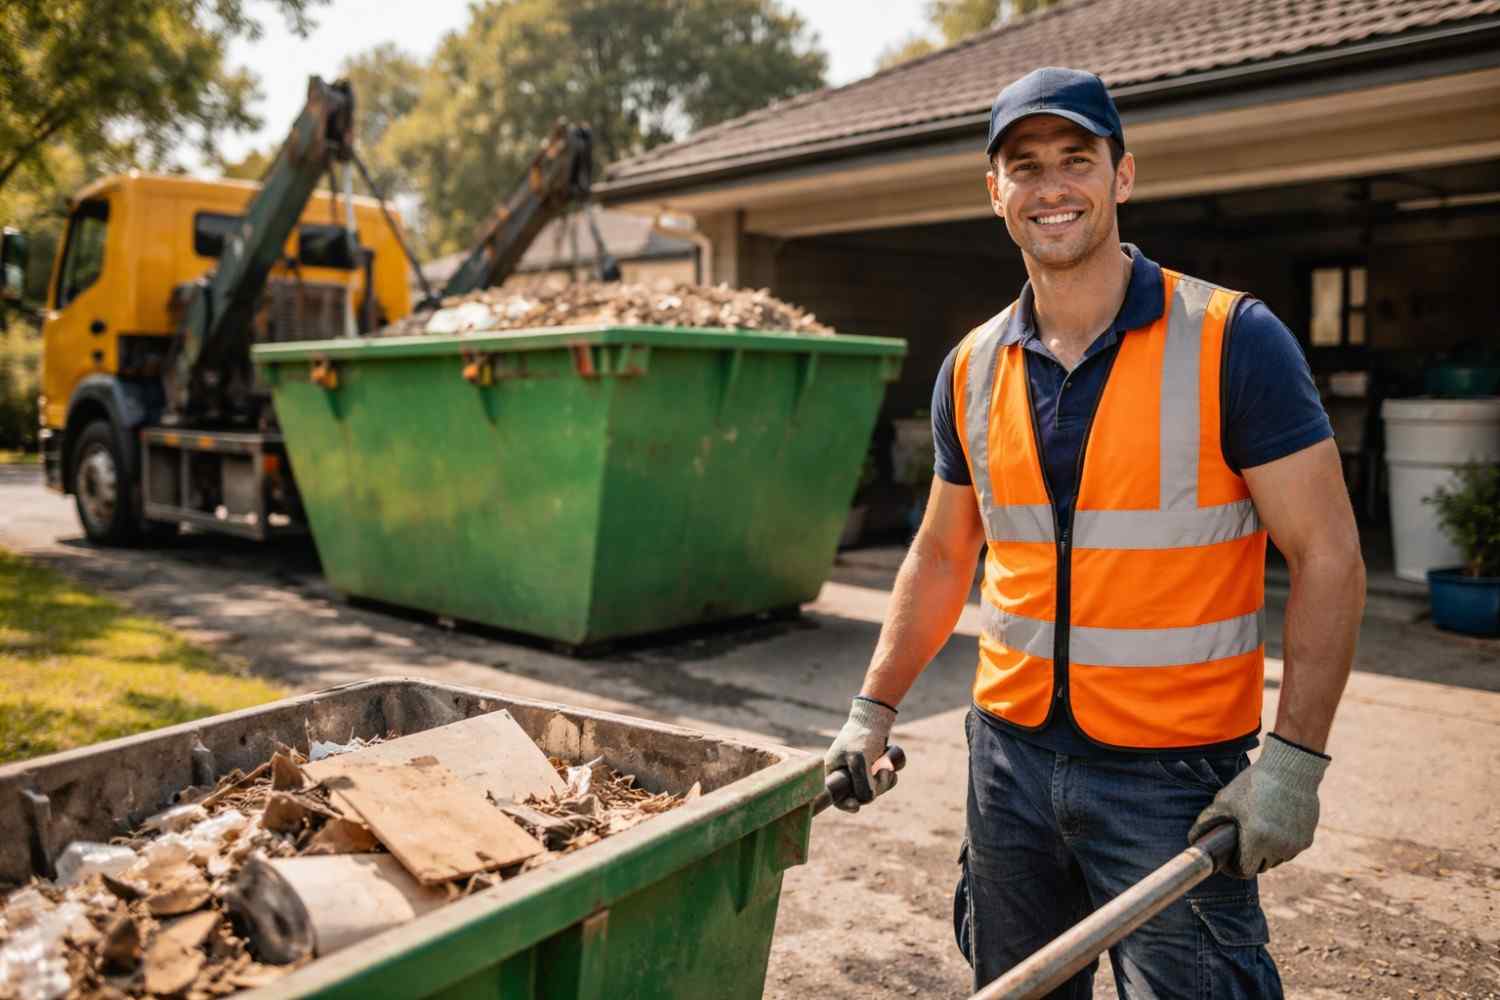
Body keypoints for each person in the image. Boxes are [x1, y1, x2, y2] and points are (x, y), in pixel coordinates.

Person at [823, 67, 1365, 998]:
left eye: (1077, 159)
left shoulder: (1234, 340)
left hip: (1173, 779)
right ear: (995, 192)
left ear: (1123, 176)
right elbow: (946, 552)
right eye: (1024, 166)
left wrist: (1294, 764)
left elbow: (1329, 556)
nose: (1052, 186)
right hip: (1008, 763)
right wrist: (872, 708)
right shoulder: (973, 366)